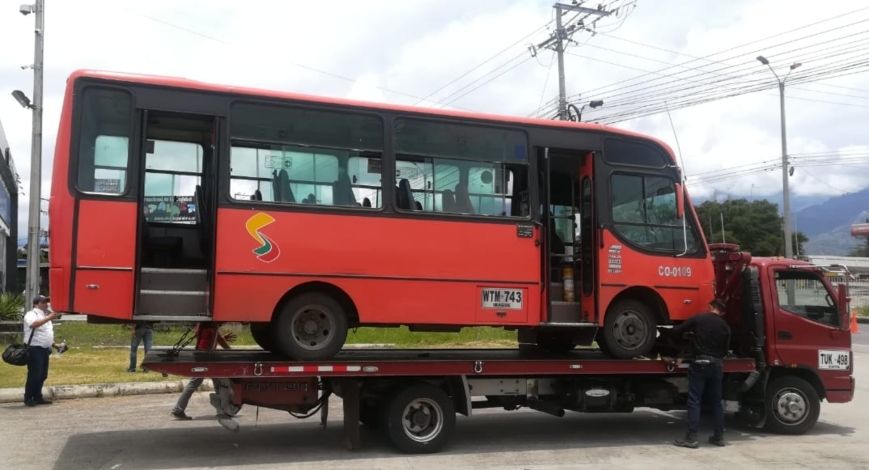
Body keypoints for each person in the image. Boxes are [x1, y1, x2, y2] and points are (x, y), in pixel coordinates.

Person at [671, 298, 732, 449]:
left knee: (694, 400)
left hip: (699, 364)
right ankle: (719, 437)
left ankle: (692, 438)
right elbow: (725, 351)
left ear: (710, 307)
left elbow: (678, 330)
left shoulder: (700, 318)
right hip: (716, 365)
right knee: (717, 402)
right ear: (722, 311)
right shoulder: (725, 327)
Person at [170, 325, 238, 430]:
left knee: (215, 382)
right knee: (217, 382)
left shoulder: (205, 325)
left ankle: (221, 410)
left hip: (202, 356)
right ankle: (178, 409)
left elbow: (213, 338)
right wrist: (233, 352)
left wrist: (222, 339)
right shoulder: (210, 326)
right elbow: (215, 339)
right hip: (205, 357)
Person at [22, 295, 62, 407]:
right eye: (43, 302)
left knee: (43, 375)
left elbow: (46, 333)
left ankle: (37, 396)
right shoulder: (31, 314)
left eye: (47, 302)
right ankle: (28, 397)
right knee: (34, 374)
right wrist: (49, 317)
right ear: (36, 304)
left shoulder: (45, 315)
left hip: (45, 349)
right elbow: (34, 325)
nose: (46, 304)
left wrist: (55, 344)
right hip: (34, 348)